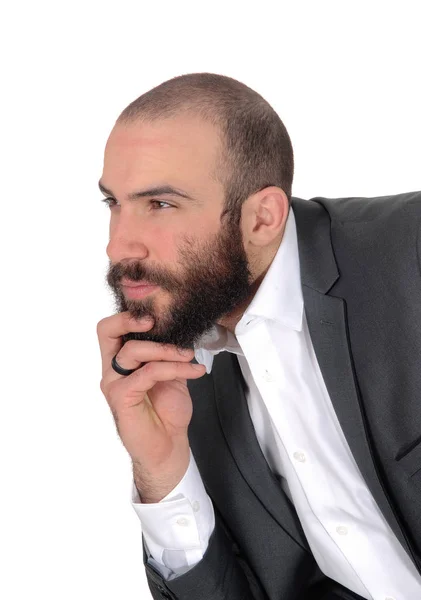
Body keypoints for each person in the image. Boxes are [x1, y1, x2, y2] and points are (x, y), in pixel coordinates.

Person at [96, 72, 421, 600]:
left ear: (263, 217)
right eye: (114, 203)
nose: (118, 247)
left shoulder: (409, 250)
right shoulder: (174, 385)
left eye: (160, 204)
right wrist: (163, 471)